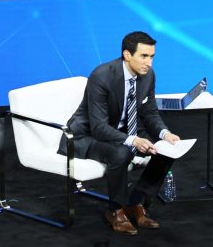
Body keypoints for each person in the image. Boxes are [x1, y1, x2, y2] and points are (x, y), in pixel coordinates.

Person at [62, 31, 182, 235]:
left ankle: (135, 203)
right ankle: (115, 210)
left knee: (165, 150)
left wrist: (164, 133)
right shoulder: (102, 76)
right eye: (144, 56)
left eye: (152, 56)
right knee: (121, 152)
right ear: (127, 55)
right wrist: (132, 140)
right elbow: (99, 127)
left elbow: (150, 111)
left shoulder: (147, 75)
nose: (149, 63)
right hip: (85, 136)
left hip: (122, 131)